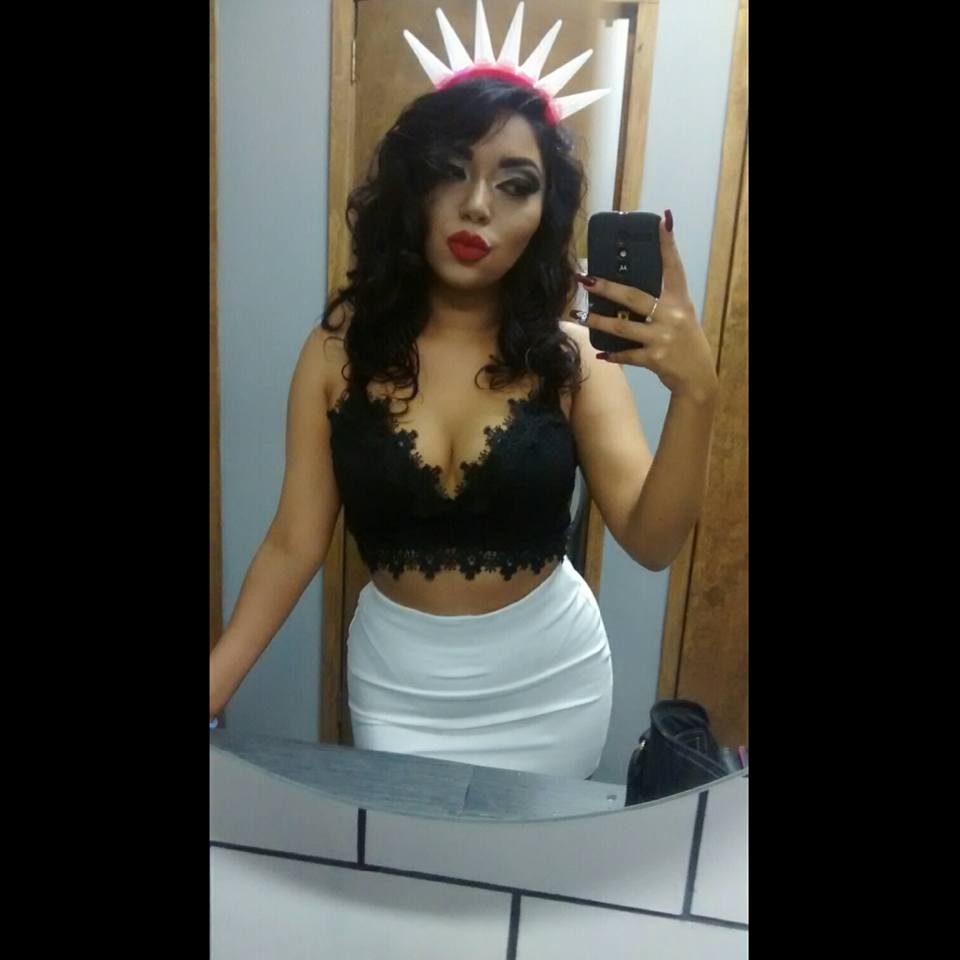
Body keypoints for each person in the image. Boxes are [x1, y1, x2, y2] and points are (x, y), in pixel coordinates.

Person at [210, 4, 718, 779]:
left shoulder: (572, 360)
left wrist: (696, 395)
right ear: (411, 188)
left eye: (515, 185)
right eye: (452, 169)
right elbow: (293, 542)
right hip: (395, 686)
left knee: (533, 856)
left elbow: (652, 544)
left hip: (552, 685)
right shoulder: (338, 354)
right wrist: (214, 685)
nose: (478, 203)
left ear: (544, 216)